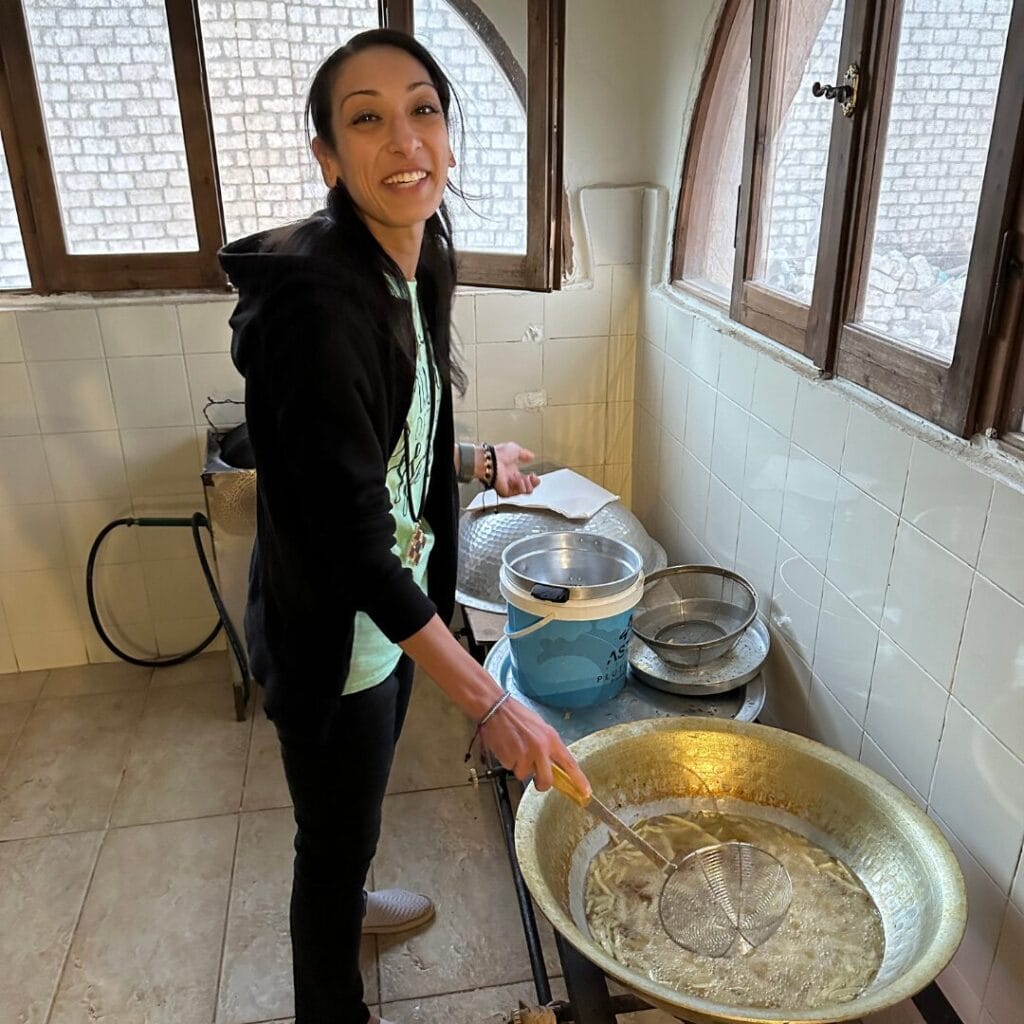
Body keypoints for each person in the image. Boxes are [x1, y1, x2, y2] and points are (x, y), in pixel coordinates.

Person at [219, 28, 591, 1024]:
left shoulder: (414, 257)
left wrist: (472, 464)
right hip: (330, 632)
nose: (405, 139)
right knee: (325, 835)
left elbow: (387, 435)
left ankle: (350, 889)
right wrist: (489, 702)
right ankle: (328, 998)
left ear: (448, 136)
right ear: (329, 160)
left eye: (422, 108)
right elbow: (347, 537)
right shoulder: (318, 311)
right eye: (367, 118)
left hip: (386, 624)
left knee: (355, 808)